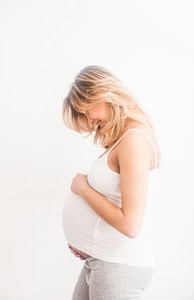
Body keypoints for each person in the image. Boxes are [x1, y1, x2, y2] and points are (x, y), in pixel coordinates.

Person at [61, 65, 161, 299]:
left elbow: (130, 224)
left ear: (103, 93)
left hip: (118, 266)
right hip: (102, 261)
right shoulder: (126, 138)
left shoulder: (135, 140)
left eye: (87, 110)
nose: (89, 120)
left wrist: (83, 188)